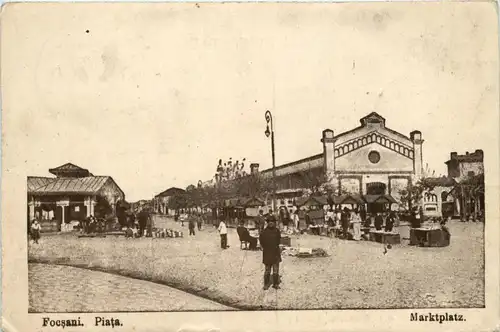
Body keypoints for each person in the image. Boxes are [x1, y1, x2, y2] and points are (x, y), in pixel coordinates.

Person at [259, 218, 282, 290]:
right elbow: (261, 241)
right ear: (267, 223)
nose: (271, 223)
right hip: (267, 253)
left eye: (272, 222)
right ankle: (266, 284)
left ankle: (275, 284)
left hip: (275, 253)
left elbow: (278, 241)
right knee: (267, 270)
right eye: (270, 222)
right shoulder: (264, 232)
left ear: (274, 223)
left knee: (275, 270)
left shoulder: (277, 231)